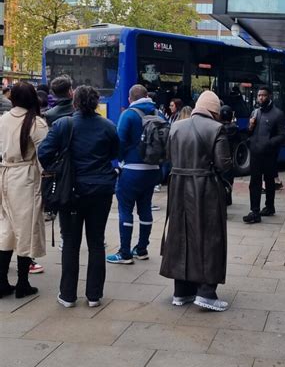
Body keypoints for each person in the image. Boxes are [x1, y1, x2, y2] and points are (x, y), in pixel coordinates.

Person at [38, 86, 119, 308]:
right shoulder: (108, 126)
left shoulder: (64, 125)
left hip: (70, 191)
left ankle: (67, 295)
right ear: (96, 103)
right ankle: (94, 295)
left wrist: (60, 167)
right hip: (100, 190)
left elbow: (43, 153)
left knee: (71, 242)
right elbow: (115, 153)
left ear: (74, 102)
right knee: (96, 242)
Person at [161, 90, 232, 311]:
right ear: (214, 110)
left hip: (178, 186)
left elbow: (169, 157)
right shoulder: (216, 128)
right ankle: (206, 292)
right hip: (205, 188)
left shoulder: (176, 126)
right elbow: (223, 164)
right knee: (210, 237)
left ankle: (182, 291)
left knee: (180, 235)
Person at [107, 84, 166, 264]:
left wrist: (120, 161)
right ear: (147, 96)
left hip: (131, 170)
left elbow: (119, 143)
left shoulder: (129, 114)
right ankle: (142, 249)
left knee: (125, 210)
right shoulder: (159, 114)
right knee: (145, 208)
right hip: (153, 171)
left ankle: (124, 253)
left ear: (130, 99)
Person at [0, 83, 48, 298]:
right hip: (26, 177)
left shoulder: (3, 119)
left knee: (6, 229)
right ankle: (22, 283)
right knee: (26, 229)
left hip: (4, 175)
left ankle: (1, 282)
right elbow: (46, 154)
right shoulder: (35, 123)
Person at [243, 87, 285, 224]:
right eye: (259, 95)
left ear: (269, 96)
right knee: (255, 182)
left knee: (269, 181)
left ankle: (269, 206)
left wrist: (269, 143)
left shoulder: (278, 114)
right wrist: (250, 127)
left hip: (269, 154)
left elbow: (283, 135)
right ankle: (254, 211)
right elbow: (248, 133)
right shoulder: (255, 112)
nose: (261, 98)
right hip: (256, 153)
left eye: (263, 95)